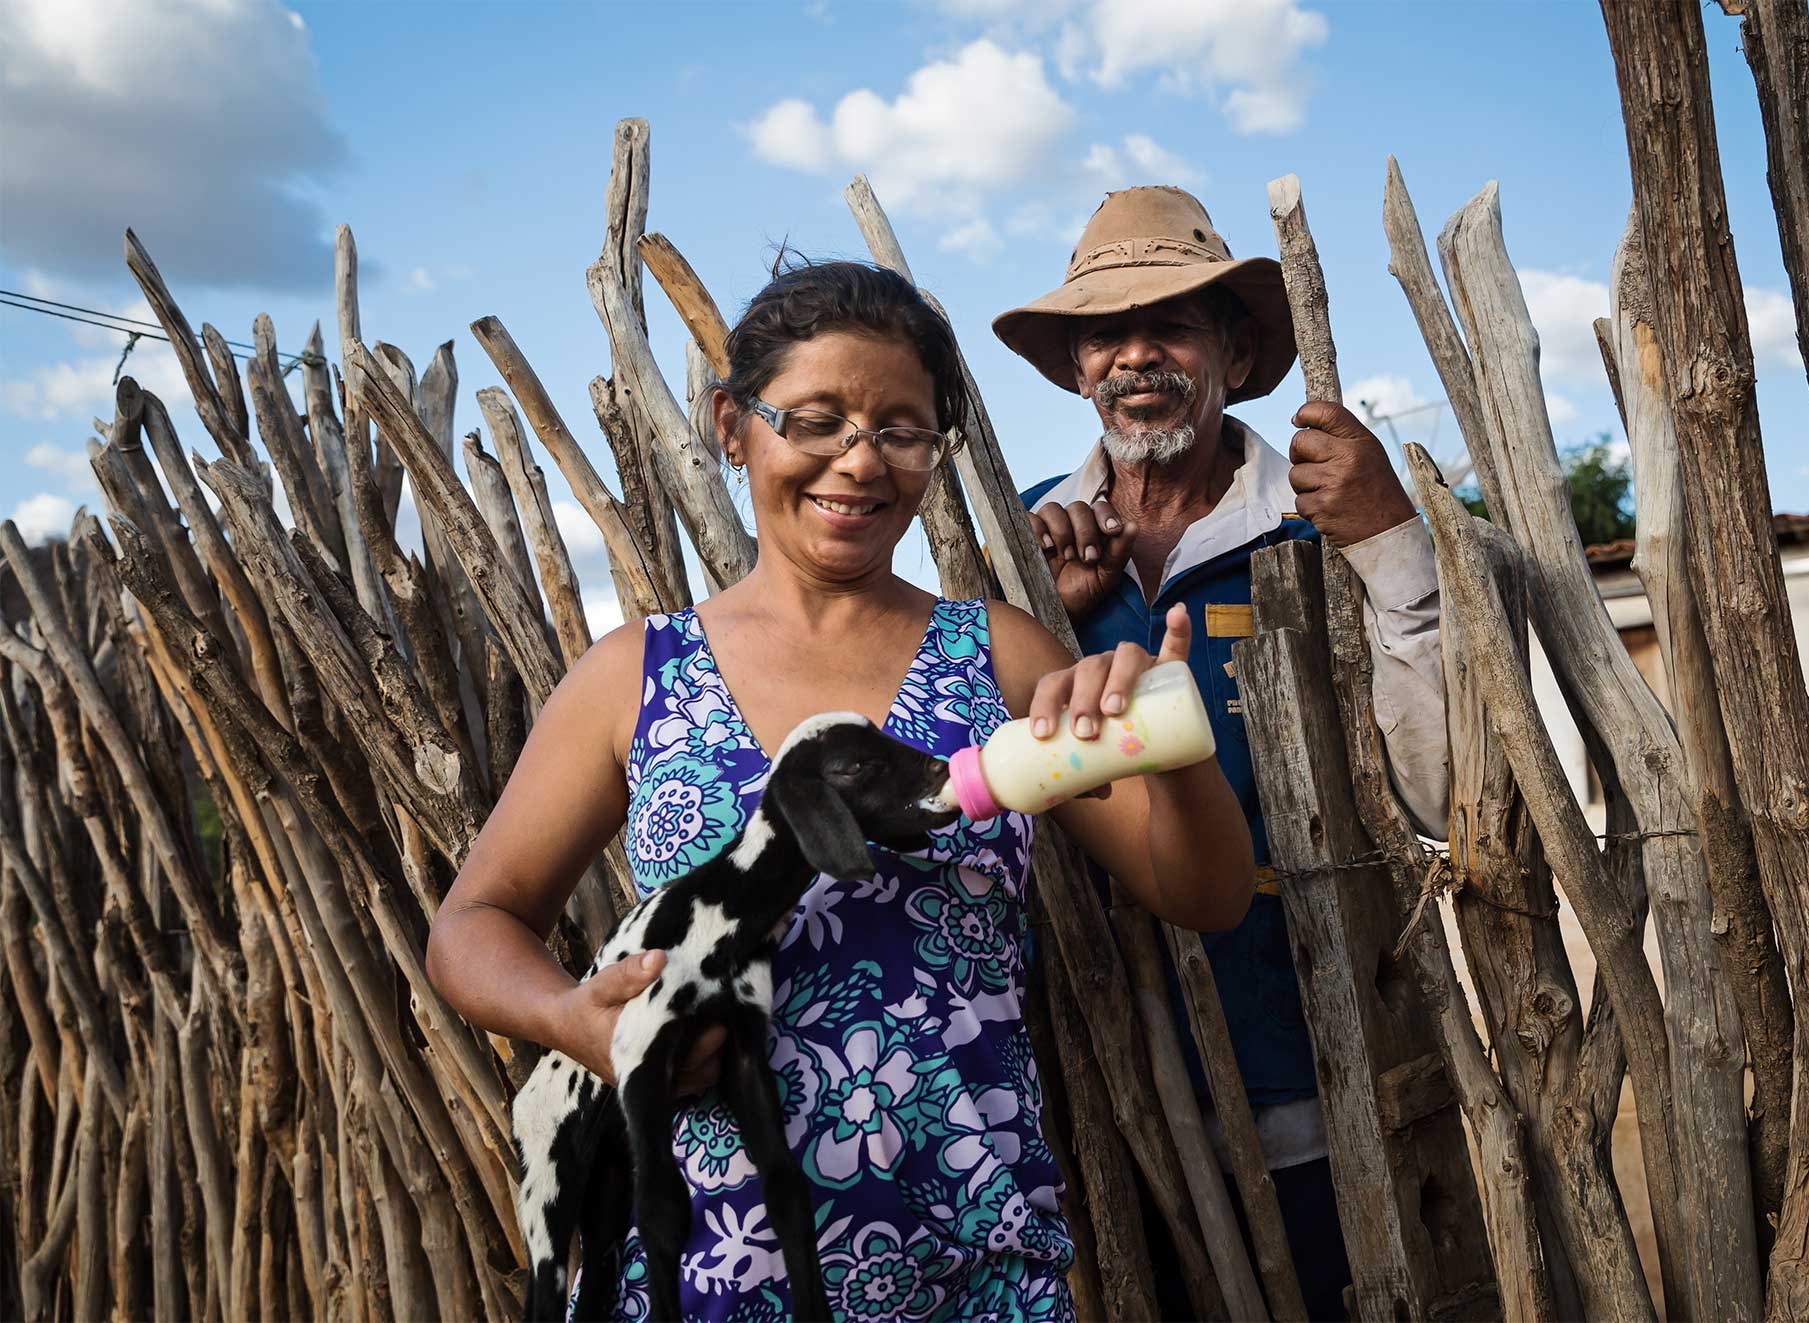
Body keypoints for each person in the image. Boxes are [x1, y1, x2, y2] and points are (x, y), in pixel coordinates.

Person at [427, 257, 1256, 1322]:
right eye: (815, 421)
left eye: (901, 430)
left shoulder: (993, 657)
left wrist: (1164, 748)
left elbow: (1204, 894)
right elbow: (474, 922)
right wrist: (572, 1021)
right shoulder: (636, 678)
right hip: (702, 1276)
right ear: (733, 427)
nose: (859, 464)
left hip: (971, 1261)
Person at [994, 185, 1451, 1319]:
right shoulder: (1018, 536)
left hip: (1315, 1062)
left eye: (1173, 325)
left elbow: (1445, 792)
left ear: (1235, 352)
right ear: (1073, 367)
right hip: (1091, 1085)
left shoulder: (1325, 520)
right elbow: (977, 790)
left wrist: (1392, 547)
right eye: (1104, 332)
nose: (1135, 355)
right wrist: (1042, 616)